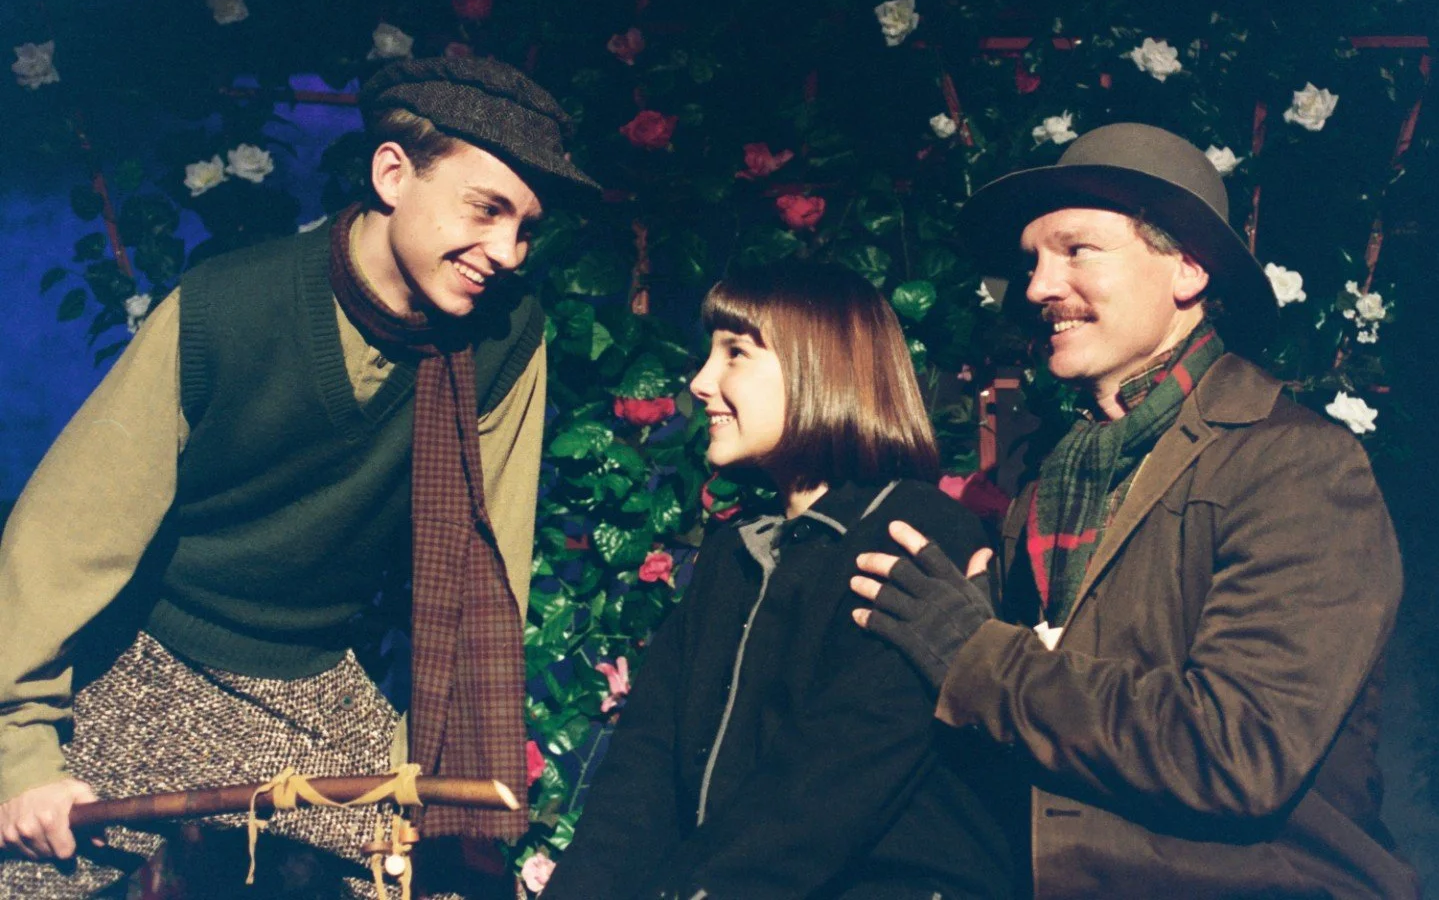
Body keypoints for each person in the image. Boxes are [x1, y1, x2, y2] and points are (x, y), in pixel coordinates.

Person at [0, 56, 598, 897]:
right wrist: (20, 755)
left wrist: (434, 798)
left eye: (527, 227)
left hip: (315, 687)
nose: (507, 251)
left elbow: (480, 580)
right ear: (393, 173)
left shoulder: (504, 338)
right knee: (33, 867)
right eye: (486, 209)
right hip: (155, 660)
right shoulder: (228, 308)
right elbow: (61, 542)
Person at [852, 123, 1419, 898]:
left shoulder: (1296, 465)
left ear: (1187, 268)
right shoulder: (1052, 480)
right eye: (1033, 262)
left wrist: (977, 655)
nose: (1039, 287)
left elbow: (1236, 751)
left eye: (1076, 251)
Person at [545, 264, 1017, 899]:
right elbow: (644, 768)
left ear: (819, 368)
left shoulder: (917, 535)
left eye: (735, 353)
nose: (701, 381)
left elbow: (824, 793)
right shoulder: (733, 554)